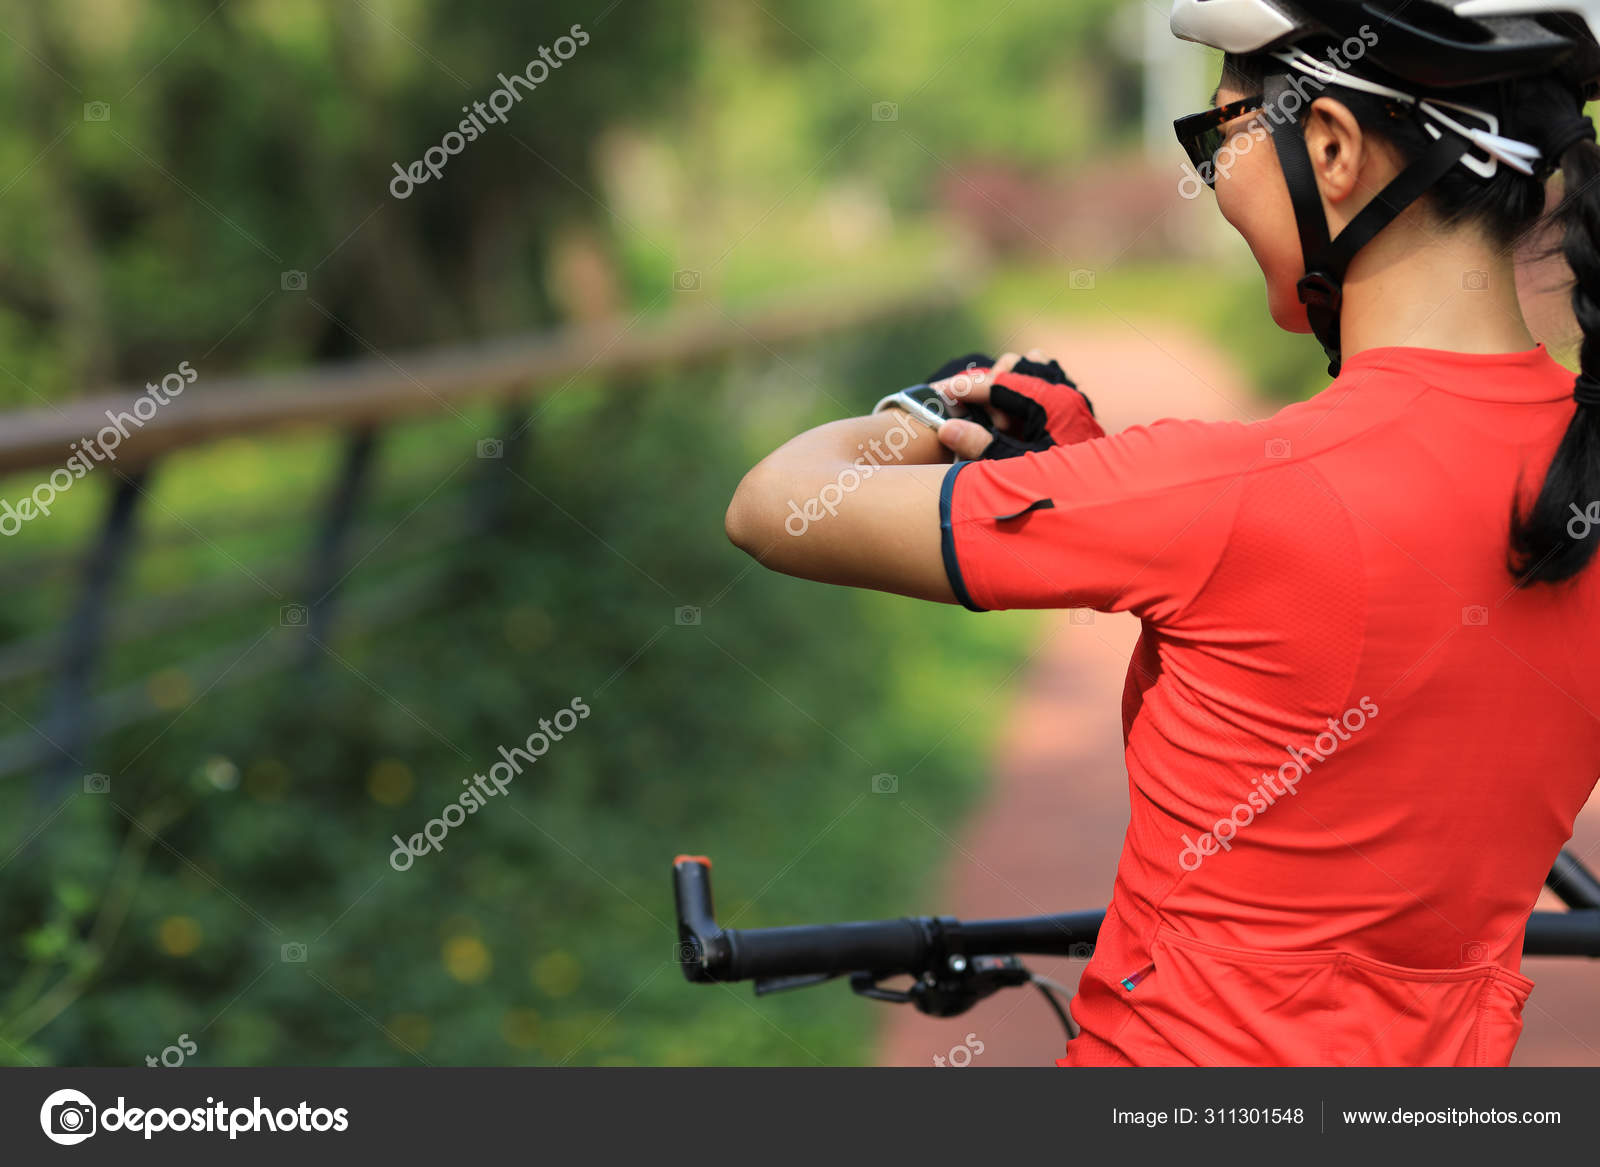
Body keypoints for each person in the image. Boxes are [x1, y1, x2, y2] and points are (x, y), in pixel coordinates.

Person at [723, 0, 1600, 1066]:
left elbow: (772, 505)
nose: (1216, 175)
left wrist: (920, 413)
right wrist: (1090, 463)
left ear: (1329, 148)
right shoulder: (1573, 469)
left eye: (1218, 136)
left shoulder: (1227, 492)